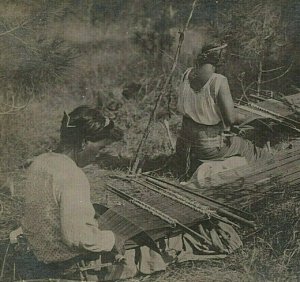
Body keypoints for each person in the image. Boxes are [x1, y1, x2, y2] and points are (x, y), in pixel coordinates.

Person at [18, 105, 125, 280]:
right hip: (67, 268)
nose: (98, 155)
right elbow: (77, 237)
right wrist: (112, 239)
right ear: (84, 143)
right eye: (99, 148)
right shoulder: (72, 175)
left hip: (38, 256)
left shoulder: (40, 162)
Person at [176, 42, 270, 177]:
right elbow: (230, 119)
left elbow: (199, 105)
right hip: (207, 147)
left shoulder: (186, 74)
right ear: (218, 59)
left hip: (184, 144)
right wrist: (247, 117)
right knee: (254, 151)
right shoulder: (218, 80)